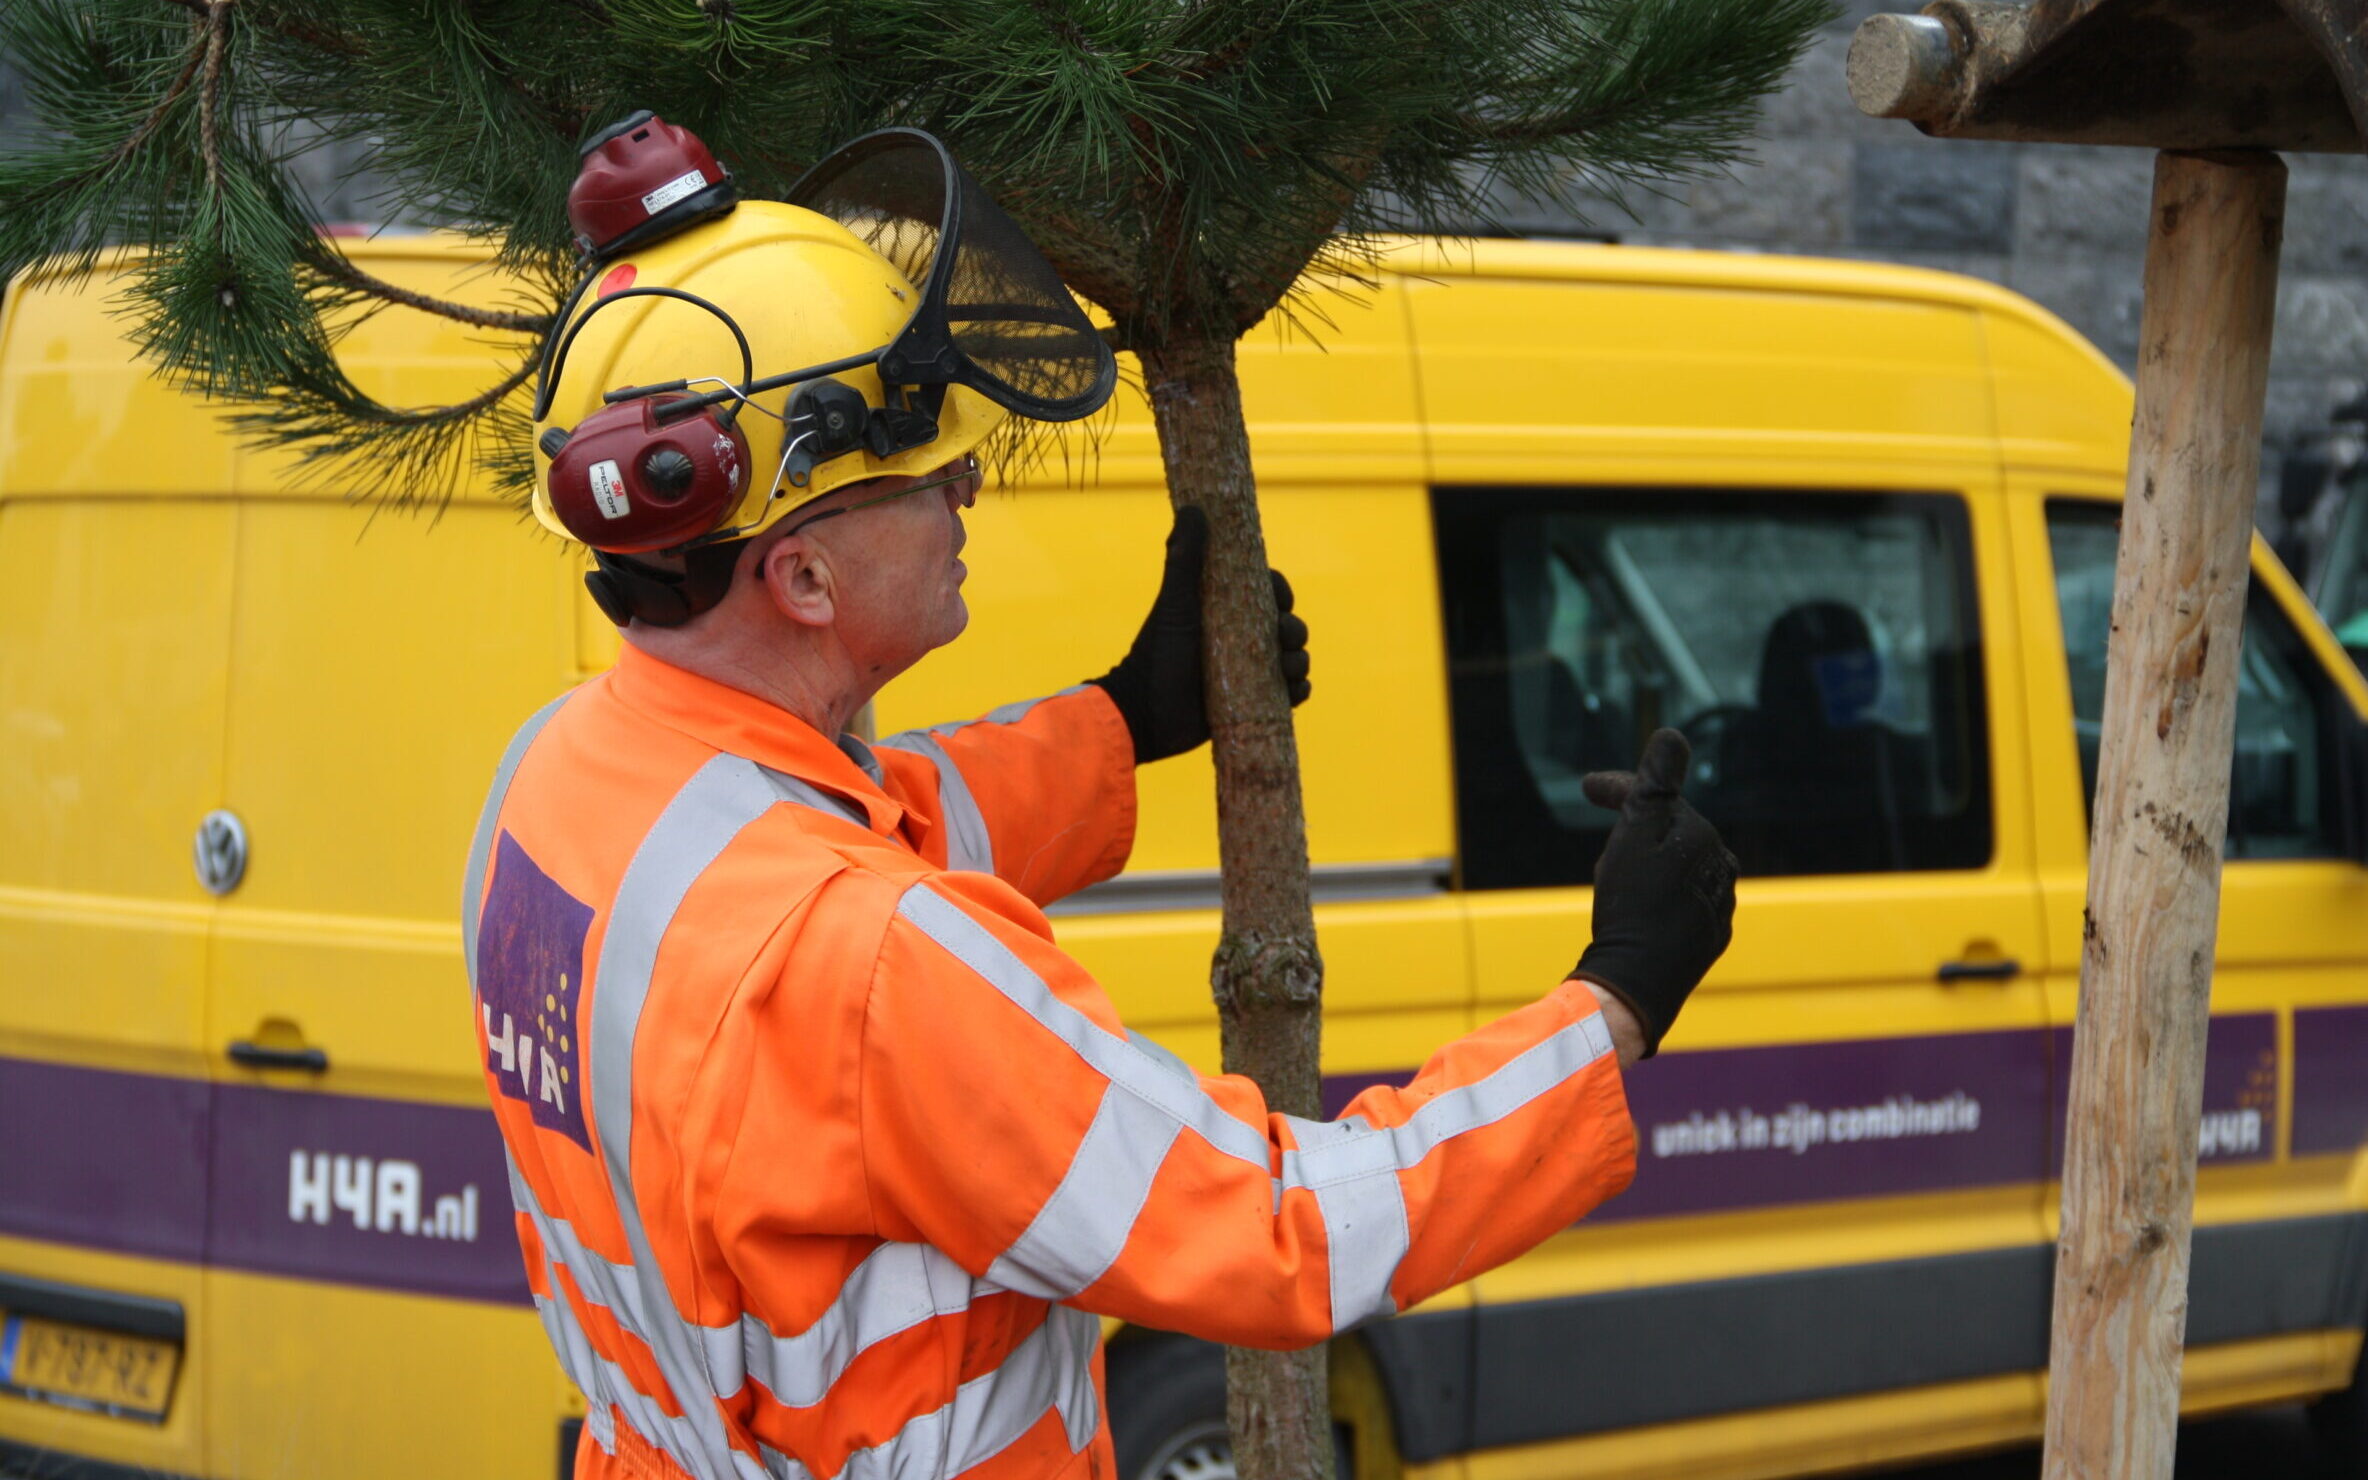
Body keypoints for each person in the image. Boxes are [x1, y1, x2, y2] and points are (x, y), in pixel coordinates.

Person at [466, 128, 1736, 1480]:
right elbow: (1286, 1229)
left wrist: (1128, 719)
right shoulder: (880, 966)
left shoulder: (559, 782)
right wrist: (1611, 1005)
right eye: (930, 468)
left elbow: (851, 834)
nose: (967, 484)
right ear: (805, 580)